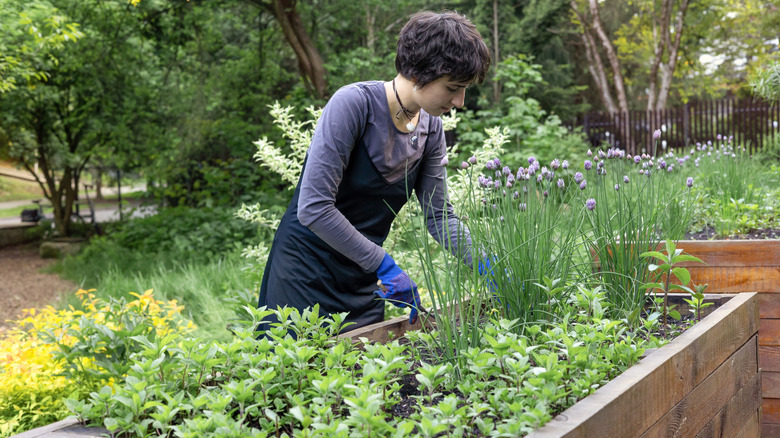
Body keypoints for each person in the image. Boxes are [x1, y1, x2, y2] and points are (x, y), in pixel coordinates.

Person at [258, 10, 491, 333]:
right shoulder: (353, 105)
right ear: (421, 73)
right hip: (303, 275)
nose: (460, 101)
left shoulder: (431, 129)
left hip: (361, 279)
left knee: (368, 376)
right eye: (453, 87)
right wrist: (383, 264)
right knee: (300, 376)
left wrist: (490, 264)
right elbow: (314, 208)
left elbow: (440, 218)